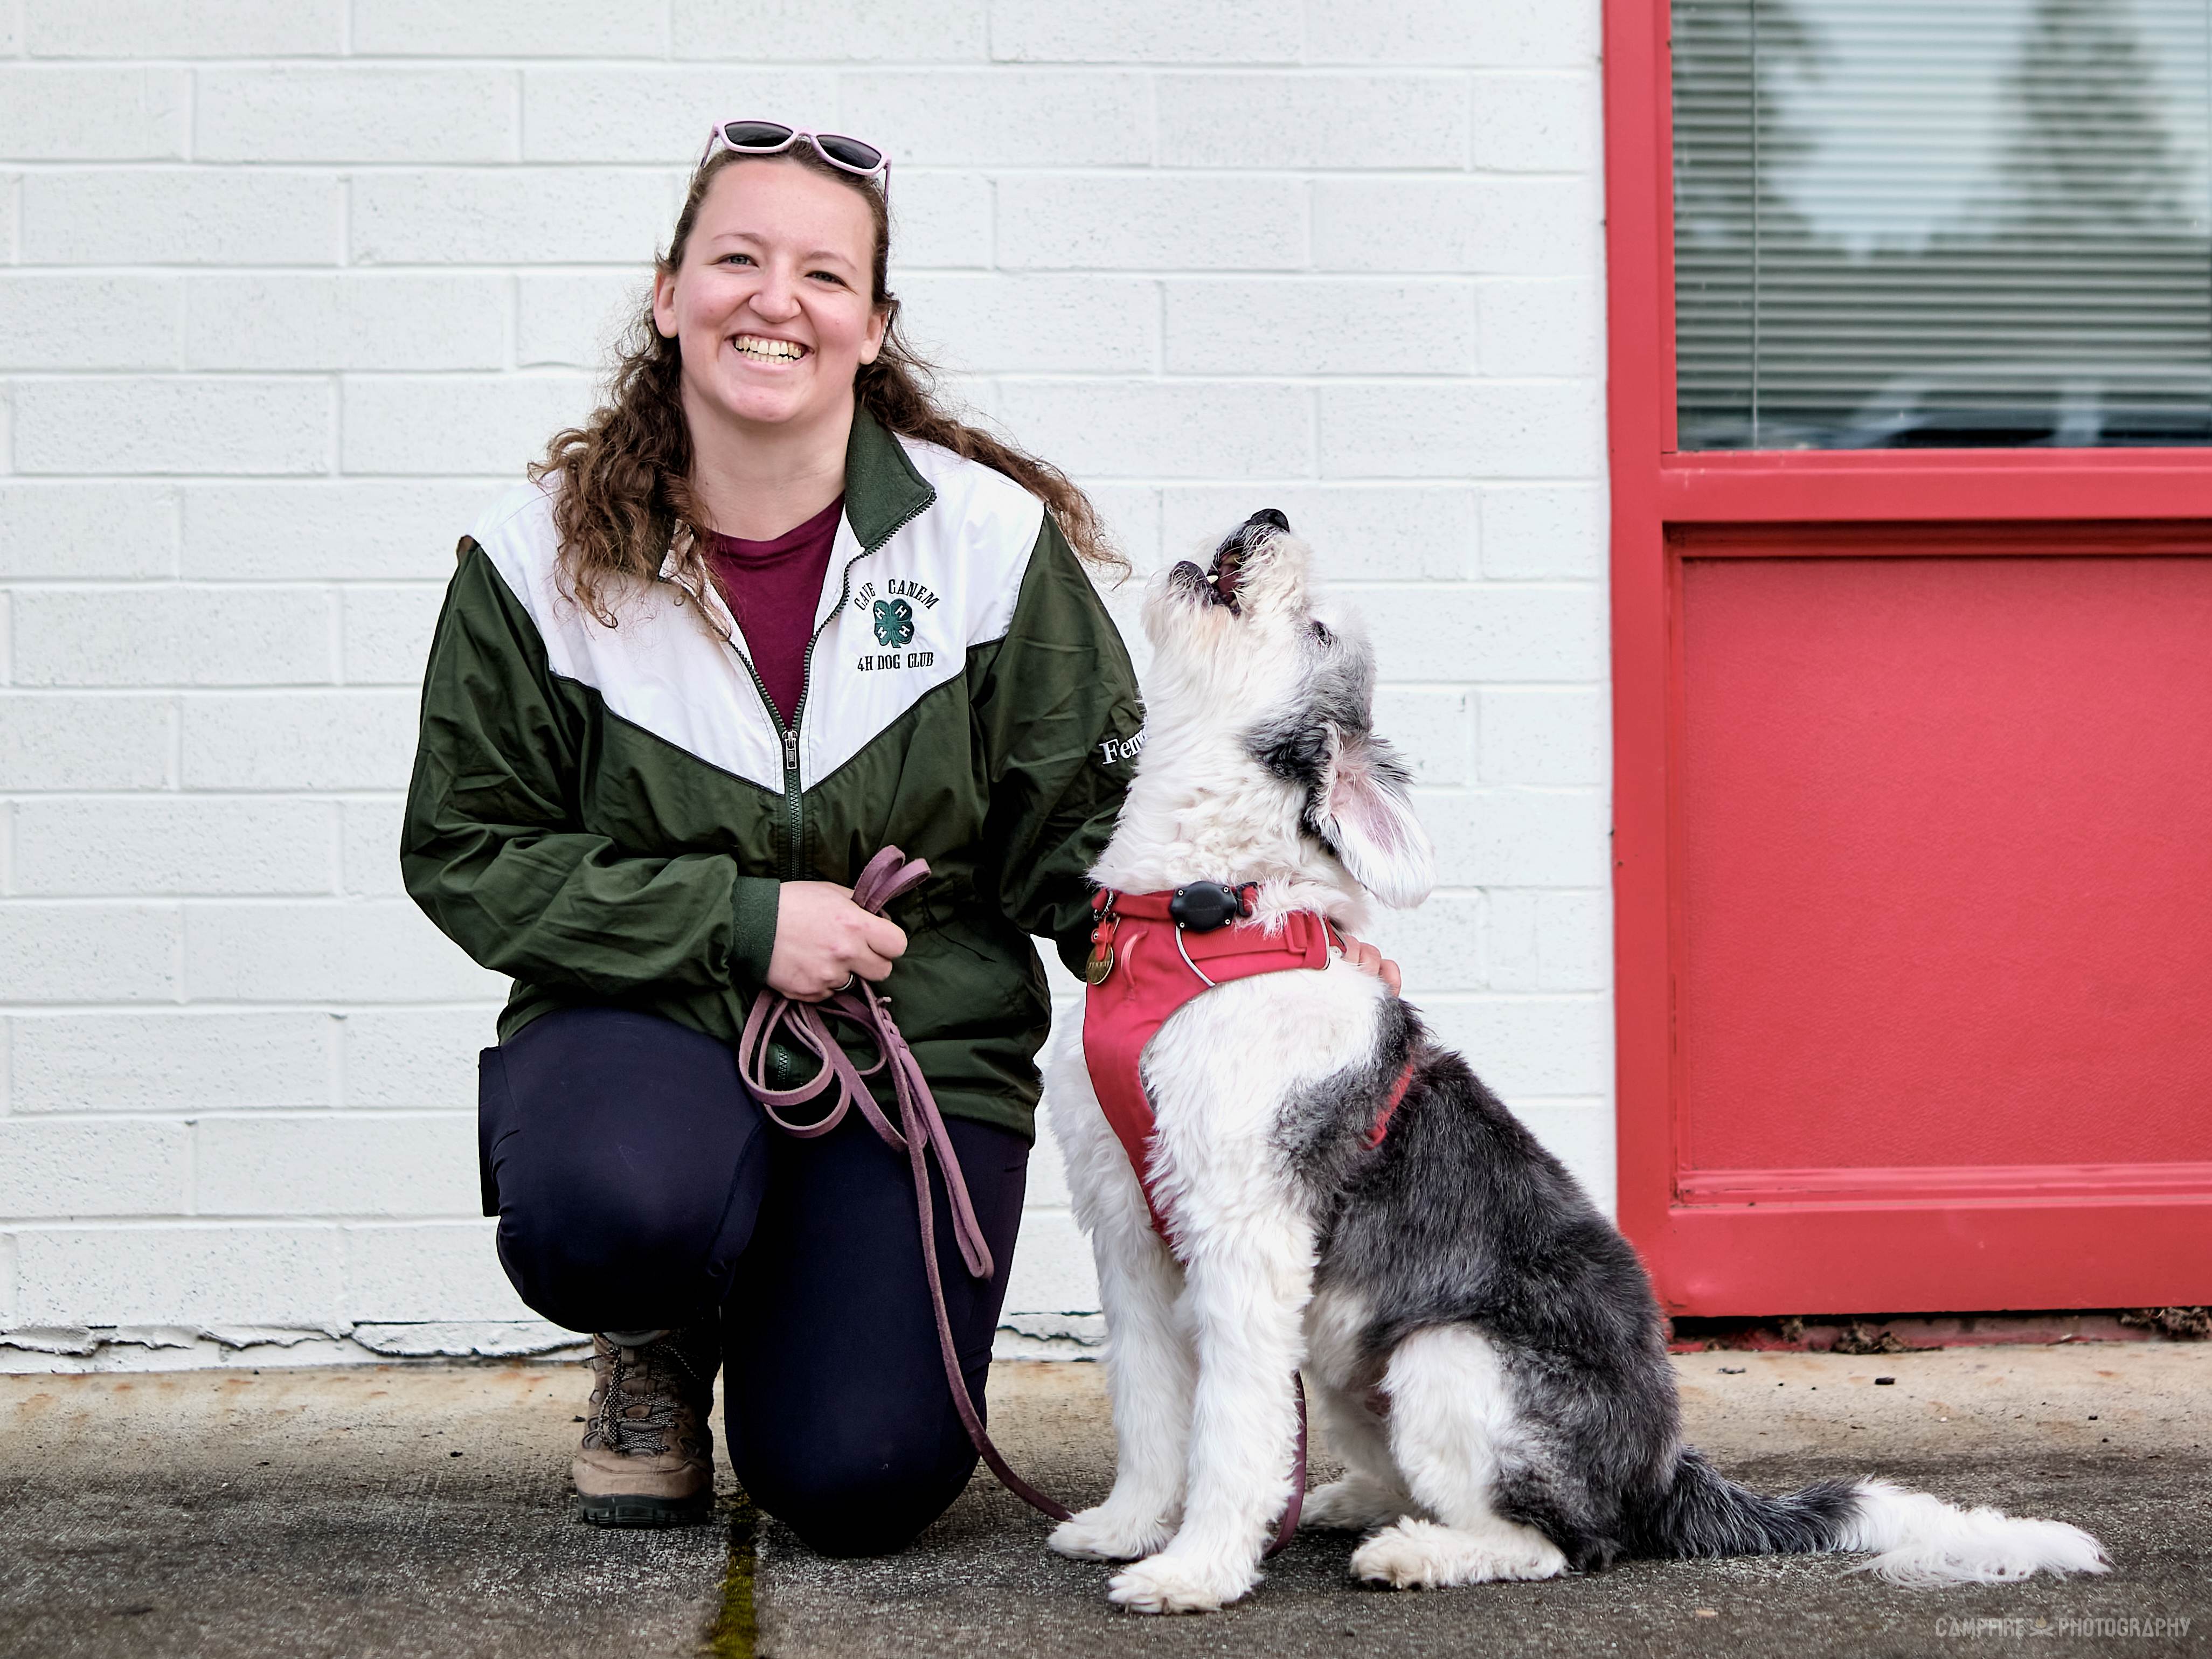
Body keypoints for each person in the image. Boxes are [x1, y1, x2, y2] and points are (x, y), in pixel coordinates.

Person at [403, 120, 1397, 1558]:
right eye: (735, 258)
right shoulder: (539, 558)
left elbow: (1087, 840)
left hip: (912, 1052)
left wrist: (1254, 945)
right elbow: (468, 848)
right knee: (608, 1207)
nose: (773, 300)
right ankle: (660, 1331)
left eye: (821, 274)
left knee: (861, 1479)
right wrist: (746, 925)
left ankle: (803, 1299)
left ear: (869, 328)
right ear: (670, 291)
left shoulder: (985, 548)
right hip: (649, 1022)